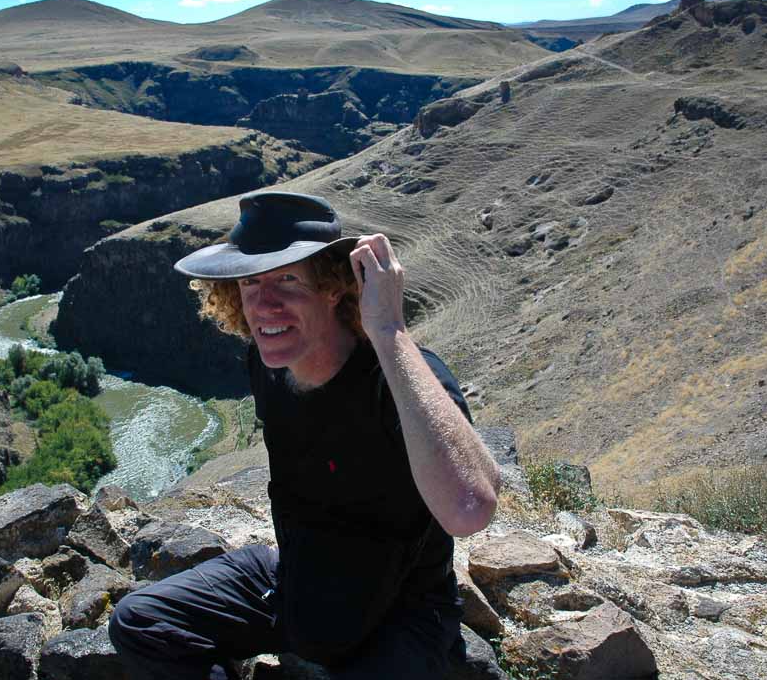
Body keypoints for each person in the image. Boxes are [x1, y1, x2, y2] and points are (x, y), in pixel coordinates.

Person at [108, 191, 501, 679]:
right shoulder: (269, 364)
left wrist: (390, 331)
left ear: (333, 287)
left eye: (287, 279)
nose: (264, 304)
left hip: (400, 614)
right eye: (250, 282)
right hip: (296, 586)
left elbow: (469, 509)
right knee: (139, 621)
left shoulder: (403, 382)